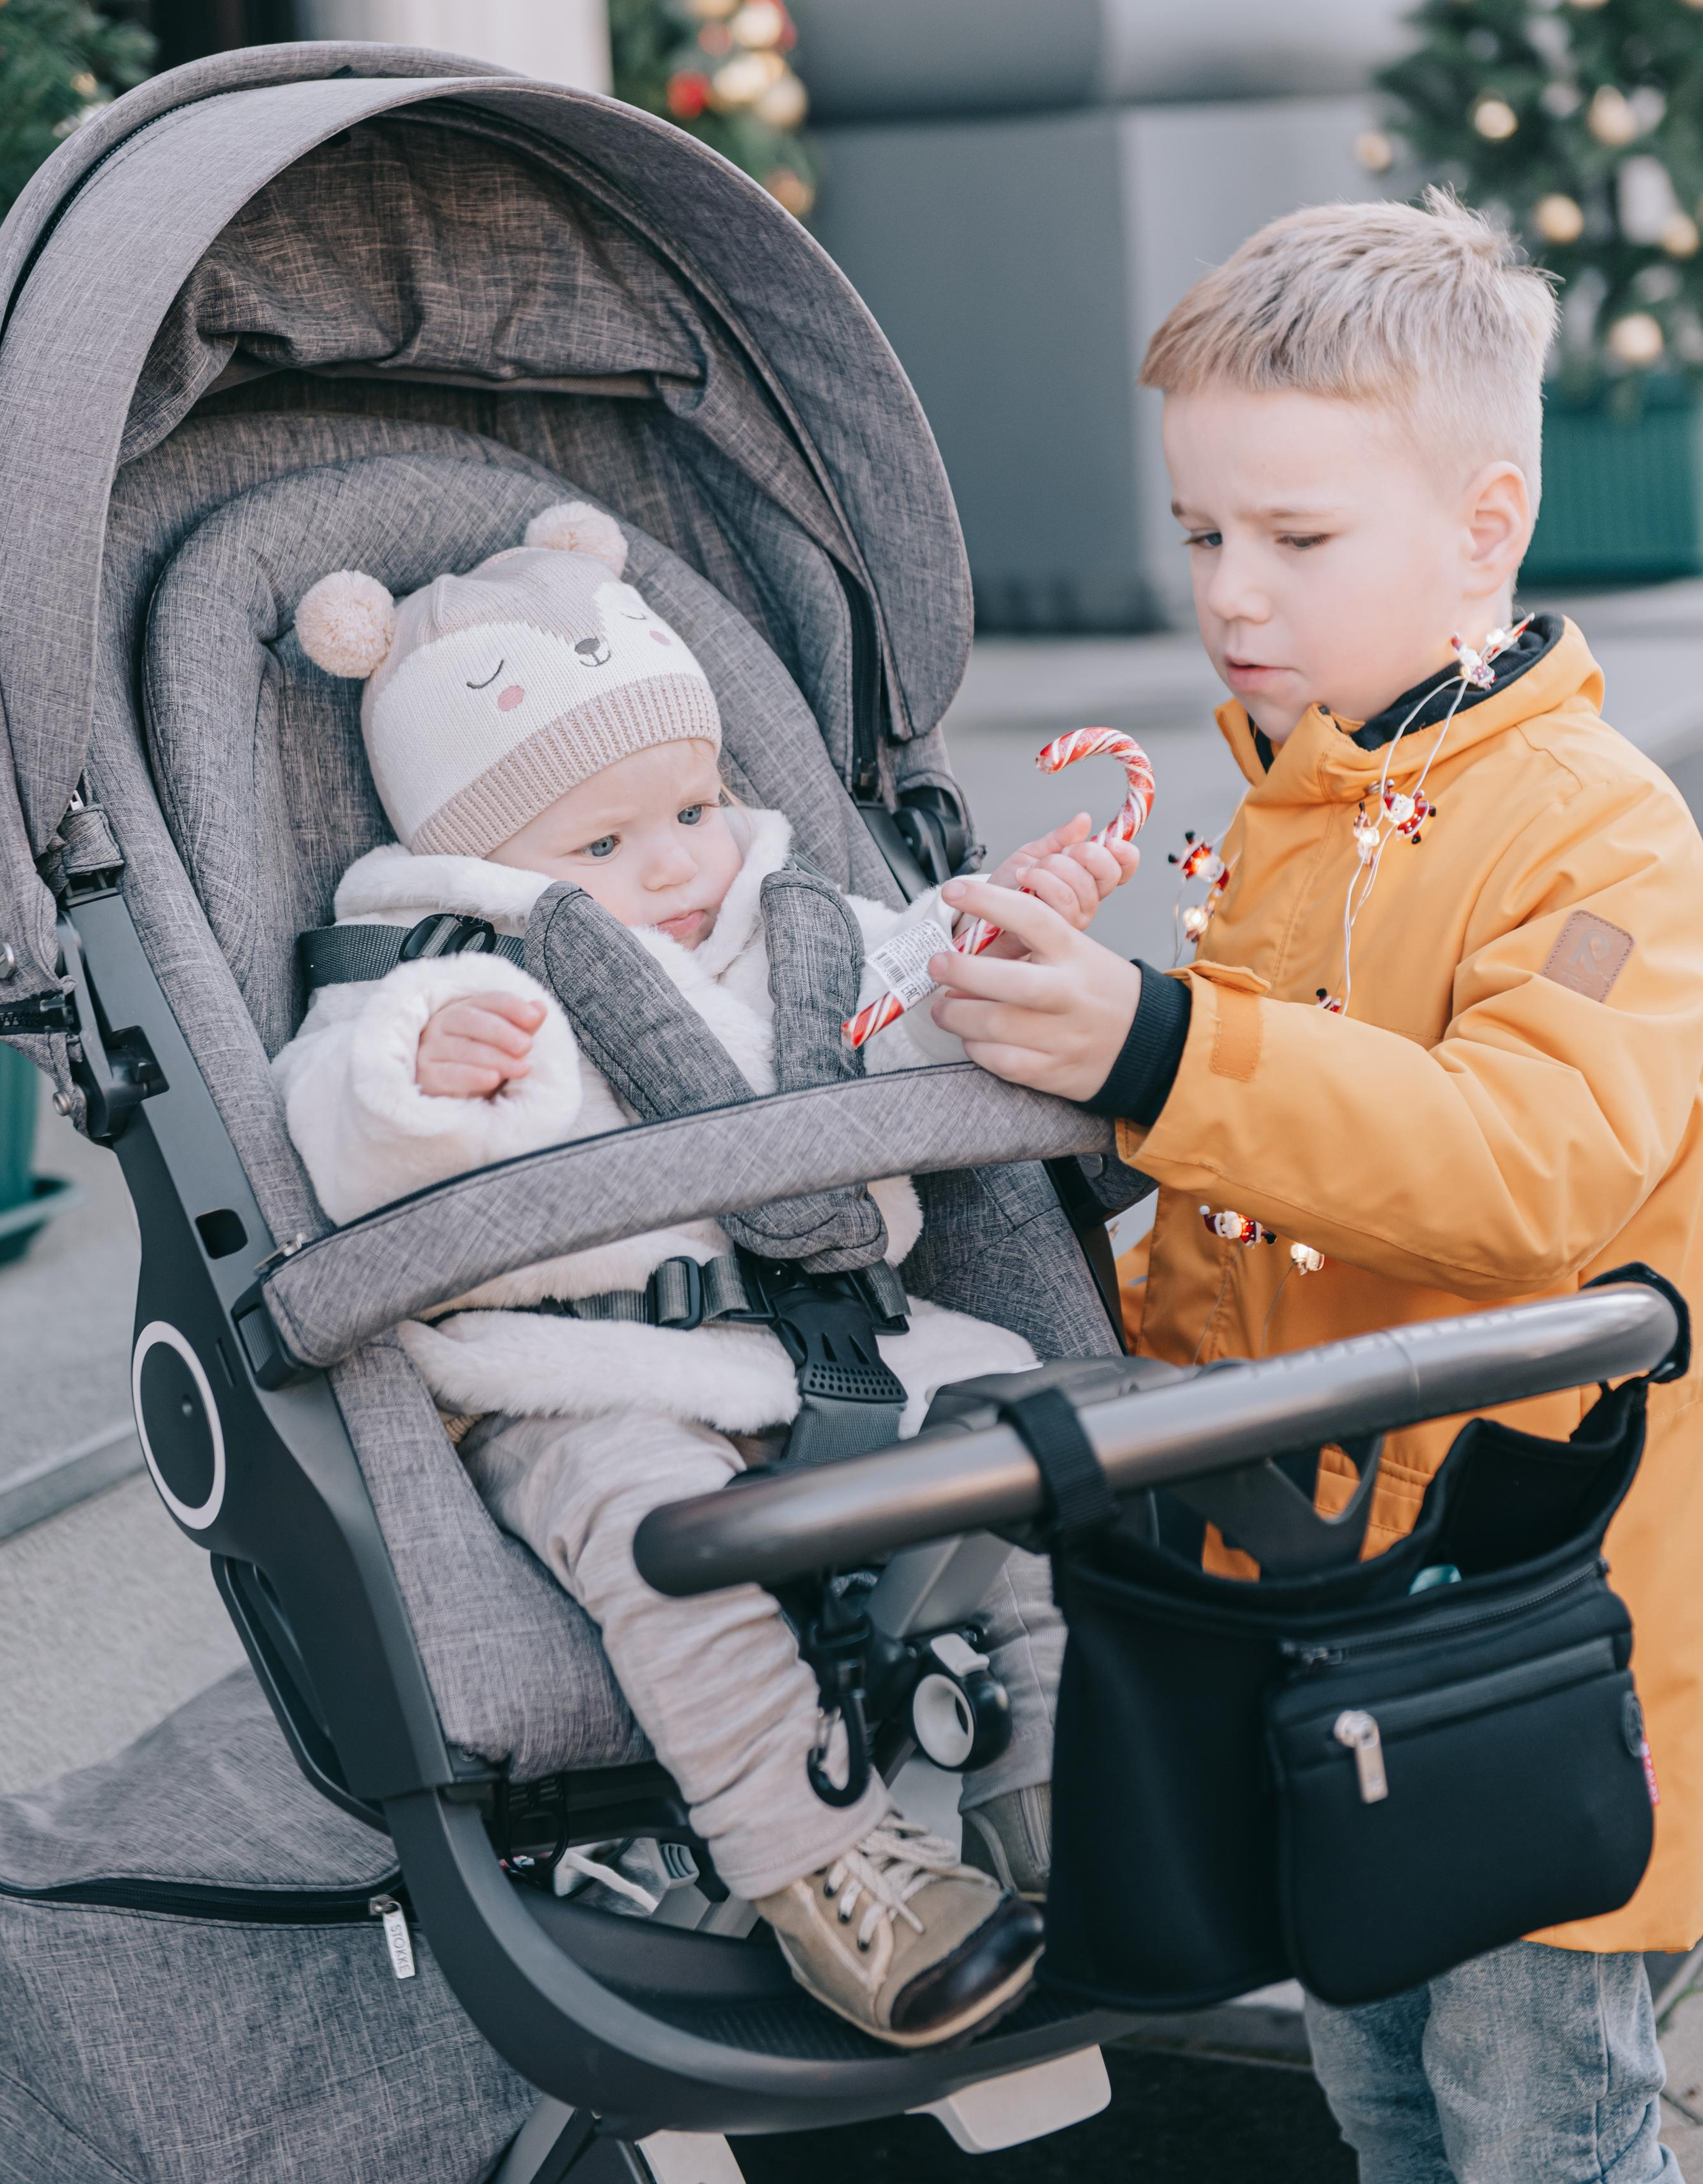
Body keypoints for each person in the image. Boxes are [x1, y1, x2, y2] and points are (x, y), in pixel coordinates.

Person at [924, 192, 1703, 2181]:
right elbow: (1236, 1179)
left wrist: (1157, 1051)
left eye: (1297, 537)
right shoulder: (1300, 800)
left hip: (1531, 1610)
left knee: (1533, 2116)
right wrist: (1054, 1044)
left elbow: (1525, 1164)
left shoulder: (1598, 842)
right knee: (1372, 2083)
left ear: (1485, 525)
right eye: (1205, 531)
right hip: (1317, 1594)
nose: (1232, 591)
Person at [272, 501, 1137, 2050]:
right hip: (593, 1376)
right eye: (597, 846)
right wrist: (423, 1083)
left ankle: (1058, 1784)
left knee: (1035, 1459)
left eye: (686, 809)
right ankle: (823, 1871)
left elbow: (913, 1000)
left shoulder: (788, 923)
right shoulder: (449, 971)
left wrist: (996, 945)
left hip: (852, 1337)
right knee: (673, 1555)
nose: (668, 865)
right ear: (476, 854)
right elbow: (336, 1124)